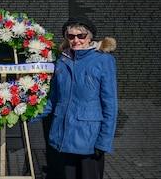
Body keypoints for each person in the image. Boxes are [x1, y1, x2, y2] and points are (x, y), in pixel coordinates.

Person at [31, 16, 118, 179]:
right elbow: (53, 100)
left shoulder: (103, 60)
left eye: (81, 36)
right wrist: (27, 115)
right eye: (71, 36)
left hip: (89, 141)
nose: (76, 40)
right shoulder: (62, 60)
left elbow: (110, 105)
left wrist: (104, 141)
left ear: (90, 37)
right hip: (61, 137)